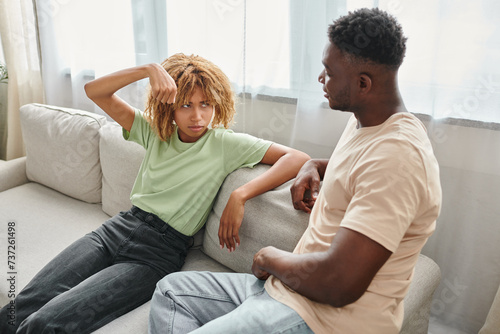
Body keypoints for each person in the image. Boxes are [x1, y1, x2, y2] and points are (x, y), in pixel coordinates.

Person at [148, 8, 442, 334]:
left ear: (363, 83)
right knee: (171, 291)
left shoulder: (399, 159)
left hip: (321, 318)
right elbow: (358, 170)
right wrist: (313, 164)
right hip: (284, 292)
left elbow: (340, 283)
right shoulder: (367, 125)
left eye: (329, 72)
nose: (320, 79)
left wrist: (268, 258)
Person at [0, 54, 310, 333]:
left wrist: (240, 194)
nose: (198, 116)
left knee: (45, 323)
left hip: (156, 254)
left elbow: (297, 158)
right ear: (170, 106)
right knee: (21, 306)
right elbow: (95, 91)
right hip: (115, 230)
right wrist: (150, 69)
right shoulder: (155, 132)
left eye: (206, 104)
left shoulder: (224, 144)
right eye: (186, 105)